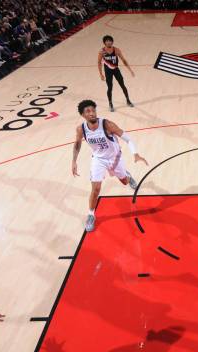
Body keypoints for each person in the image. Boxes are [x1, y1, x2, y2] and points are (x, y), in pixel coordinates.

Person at [72, 100, 148, 232]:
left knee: (124, 181)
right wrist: (74, 161)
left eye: (93, 110)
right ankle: (91, 215)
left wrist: (135, 153)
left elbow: (128, 139)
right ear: (83, 115)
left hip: (115, 158)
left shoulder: (107, 124)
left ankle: (127, 176)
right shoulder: (81, 129)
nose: (92, 113)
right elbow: (77, 143)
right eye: (88, 111)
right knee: (95, 189)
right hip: (98, 160)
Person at [97, 35, 134, 112]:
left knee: (123, 85)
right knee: (110, 88)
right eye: (107, 41)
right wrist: (101, 74)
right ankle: (110, 103)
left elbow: (123, 60)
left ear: (112, 42)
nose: (109, 42)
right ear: (104, 42)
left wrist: (130, 70)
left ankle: (128, 100)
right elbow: (99, 63)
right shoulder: (101, 51)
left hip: (116, 70)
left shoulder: (116, 50)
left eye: (110, 41)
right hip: (108, 72)